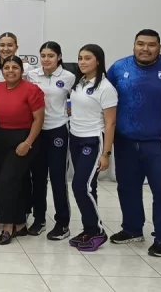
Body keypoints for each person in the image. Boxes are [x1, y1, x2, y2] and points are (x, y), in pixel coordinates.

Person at [105, 29, 161, 256]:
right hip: (125, 142)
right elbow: (102, 93)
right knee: (127, 187)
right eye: (141, 44)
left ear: (159, 47)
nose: (145, 48)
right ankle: (132, 228)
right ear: (133, 45)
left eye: (151, 45)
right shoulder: (119, 68)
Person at [68, 44, 117, 252]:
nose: (82, 62)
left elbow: (110, 123)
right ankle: (89, 229)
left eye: (88, 58)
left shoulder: (106, 88)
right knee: (89, 187)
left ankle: (98, 230)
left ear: (98, 61)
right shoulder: (79, 83)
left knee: (81, 186)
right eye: (80, 58)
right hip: (75, 138)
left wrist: (106, 154)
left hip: (92, 141)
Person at [0, 56, 45, 245]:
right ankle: (21, 224)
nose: (10, 71)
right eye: (7, 67)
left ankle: (8, 227)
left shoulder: (32, 90)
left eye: (15, 67)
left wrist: (28, 142)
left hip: (24, 139)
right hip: (2, 137)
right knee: (18, 181)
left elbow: (38, 119)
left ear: (21, 71)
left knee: (7, 181)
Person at [26, 41, 76, 239]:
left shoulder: (68, 77)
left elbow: (77, 100)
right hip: (37, 131)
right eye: (43, 55)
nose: (46, 59)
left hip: (58, 131)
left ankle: (62, 223)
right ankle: (39, 219)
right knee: (37, 178)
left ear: (59, 57)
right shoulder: (32, 75)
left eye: (51, 56)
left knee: (57, 178)